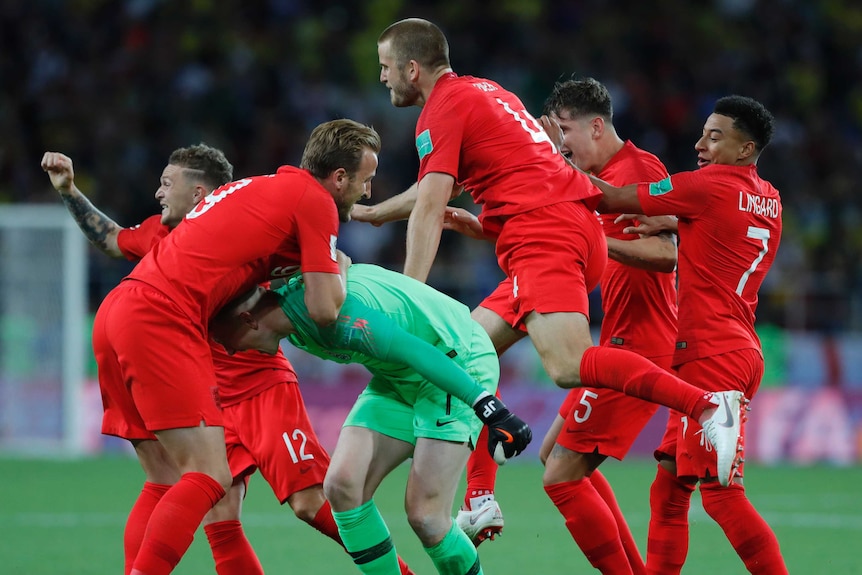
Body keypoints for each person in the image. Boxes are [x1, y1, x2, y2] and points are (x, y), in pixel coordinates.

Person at [360, 16, 744, 519]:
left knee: (566, 365)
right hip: (556, 230)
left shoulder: (441, 109)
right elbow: (447, 189)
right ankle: (479, 498)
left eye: (386, 67)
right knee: (466, 351)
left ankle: (707, 407)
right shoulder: (489, 94)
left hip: (546, 236)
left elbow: (432, 206)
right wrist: (371, 212)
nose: (382, 77)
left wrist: (409, 296)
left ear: (412, 68)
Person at [40, 144, 416, 575]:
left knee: (307, 501)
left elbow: (320, 298)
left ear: (204, 194)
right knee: (216, 510)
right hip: (188, 363)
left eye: (168, 184)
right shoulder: (170, 239)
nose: (158, 194)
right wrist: (69, 190)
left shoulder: (257, 222)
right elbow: (111, 239)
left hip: (253, 375)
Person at [210, 262, 532, 575]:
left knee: (426, 517)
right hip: (398, 377)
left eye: (228, 342)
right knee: (342, 484)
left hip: (454, 359)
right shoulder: (294, 320)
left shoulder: (332, 319)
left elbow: (414, 350)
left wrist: (491, 409)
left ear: (249, 320)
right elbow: (338, 256)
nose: (233, 352)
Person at [590, 95, 788, 574]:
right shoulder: (771, 197)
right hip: (738, 346)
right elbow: (726, 228)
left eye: (715, 137)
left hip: (712, 355)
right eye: (703, 132)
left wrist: (540, 164)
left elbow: (610, 197)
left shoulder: (710, 184)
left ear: (747, 149)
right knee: (670, 487)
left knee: (721, 496)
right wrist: (676, 221)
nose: (700, 144)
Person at [527, 77, 677, 575]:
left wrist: (599, 241)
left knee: (561, 477)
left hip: (640, 343)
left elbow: (667, 253)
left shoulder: (638, 170)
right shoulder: (591, 179)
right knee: (555, 455)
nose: (564, 143)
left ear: (597, 125)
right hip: (615, 337)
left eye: (566, 130)